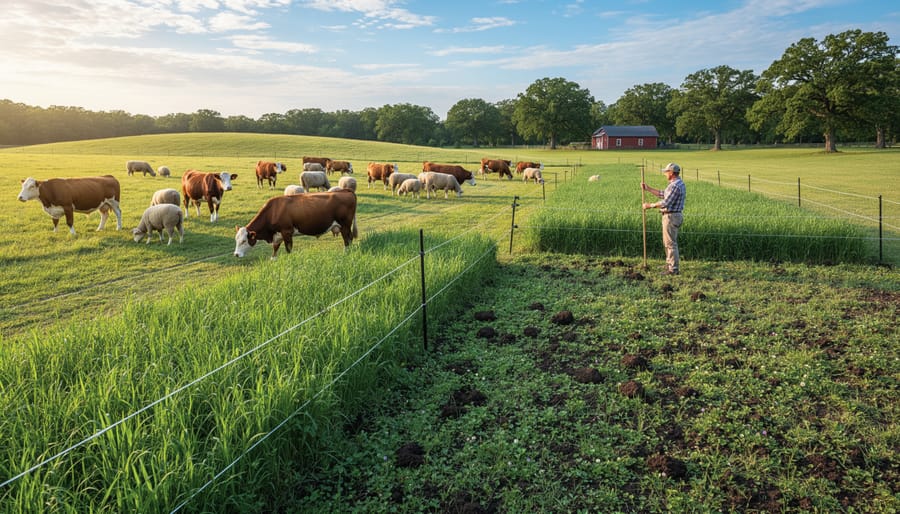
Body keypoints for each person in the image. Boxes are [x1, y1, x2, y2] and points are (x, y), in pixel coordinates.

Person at [642, 162, 686, 275]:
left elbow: (665, 202)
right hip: (672, 216)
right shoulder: (677, 183)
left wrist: (649, 205)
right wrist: (648, 189)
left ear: (671, 173)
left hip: (671, 216)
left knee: (670, 244)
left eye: (666, 172)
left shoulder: (675, 186)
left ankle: (673, 269)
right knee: (668, 243)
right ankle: (669, 264)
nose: (665, 174)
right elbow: (663, 194)